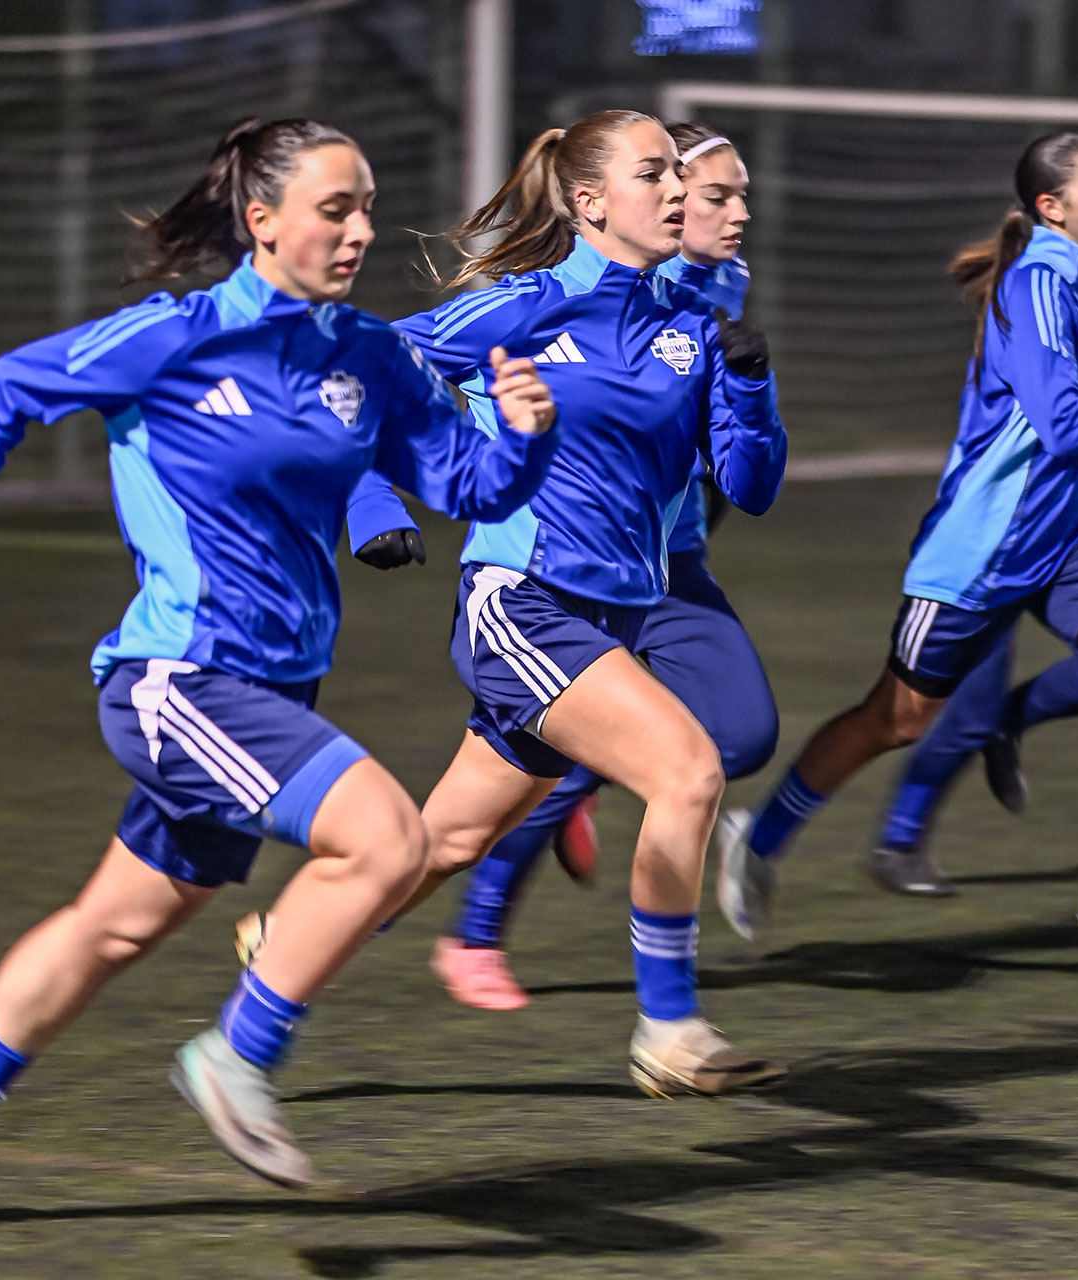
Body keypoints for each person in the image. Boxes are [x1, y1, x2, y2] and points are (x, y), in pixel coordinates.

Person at [0, 117, 558, 1233]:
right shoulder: (178, 334)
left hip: (272, 693)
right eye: (334, 209)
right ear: (262, 220)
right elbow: (8, 386)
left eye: (367, 208)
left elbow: (472, 485)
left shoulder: (371, 356)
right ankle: (237, 1057)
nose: (360, 231)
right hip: (176, 679)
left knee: (114, 926)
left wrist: (524, 433)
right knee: (388, 840)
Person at [717, 132, 1078, 962]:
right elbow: (1061, 425)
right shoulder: (1035, 288)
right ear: (1053, 208)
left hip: (1066, 536)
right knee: (896, 720)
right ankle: (762, 835)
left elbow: (1050, 429)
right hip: (982, 553)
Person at [387, 109, 788, 1095]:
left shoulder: (693, 318)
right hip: (521, 596)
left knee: (443, 839)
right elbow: (370, 369)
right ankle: (670, 1028)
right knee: (688, 768)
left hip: (620, 600)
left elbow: (748, 483)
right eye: (662, 176)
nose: (688, 197)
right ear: (591, 200)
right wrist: (371, 496)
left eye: (685, 180)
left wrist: (752, 383)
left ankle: (271, 968)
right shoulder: (524, 304)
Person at [869, 236, 1078, 896]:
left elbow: (1070, 419)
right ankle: (899, 842)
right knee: (960, 714)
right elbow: (1022, 420)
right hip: (990, 542)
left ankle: (1012, 722)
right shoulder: (1029, 308)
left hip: (1060, 534)